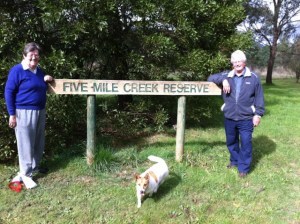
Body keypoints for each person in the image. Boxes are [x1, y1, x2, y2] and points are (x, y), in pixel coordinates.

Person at [208, 50, 265, 178]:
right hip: (229, 116)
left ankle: (243, 168)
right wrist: (223, 80)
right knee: (231, 141)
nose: (237, 64)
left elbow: (259, 97)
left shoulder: (254, 78)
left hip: (246, 118)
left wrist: (258, 114)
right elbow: (210, 78)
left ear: (244, 63)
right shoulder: (227, 75)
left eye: (240, 61)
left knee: (246, 142)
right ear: (232, 63)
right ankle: (234, 160)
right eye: (235, 61)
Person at [5, 42, 53, 185]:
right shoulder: (17, 70)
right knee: (25, 143)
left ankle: (34, 167)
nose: (33, 61)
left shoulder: (39, 71)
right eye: (30, 58)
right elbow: (9, 92)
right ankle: (25, 174)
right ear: (24, 56)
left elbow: (42, 84)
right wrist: (12, 114)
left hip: (40, 111)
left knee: (38, 141)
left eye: (36, 58)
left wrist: (48, 79)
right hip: (23, 112)